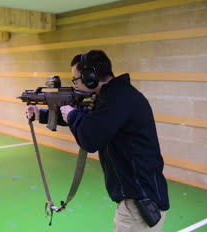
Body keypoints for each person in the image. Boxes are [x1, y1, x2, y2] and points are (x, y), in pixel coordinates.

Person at [26, 50, 169, 232]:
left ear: (90, 77)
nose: (75, 84)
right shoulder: (113, 96)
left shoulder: (118, 99)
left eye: (76, 79)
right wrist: (42, 114)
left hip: (139, 205)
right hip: (139, 198)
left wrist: (71, 114)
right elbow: (93, 119)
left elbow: (90, 138)